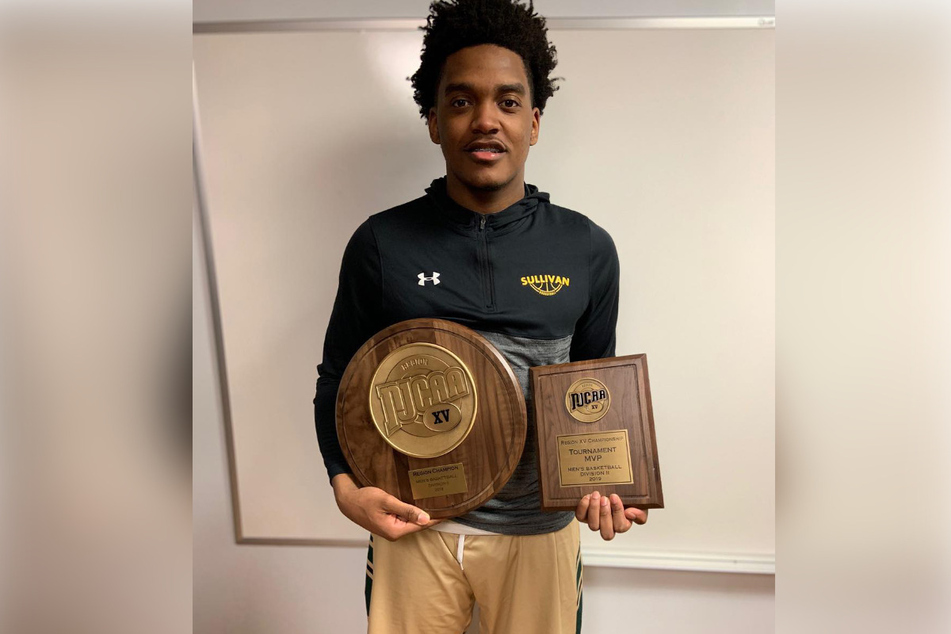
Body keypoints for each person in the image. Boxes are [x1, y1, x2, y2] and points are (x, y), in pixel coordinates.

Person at [313, 1, 647, 632]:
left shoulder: (586, 248)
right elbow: (338, 380)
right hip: (413, 524)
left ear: (535, 122)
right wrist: (344, 486)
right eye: (462, 102)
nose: (486, 121)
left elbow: (593, 391)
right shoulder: (382, 244)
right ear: (435, 121)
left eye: (509, 102)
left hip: (538, 534)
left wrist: (607, 484)